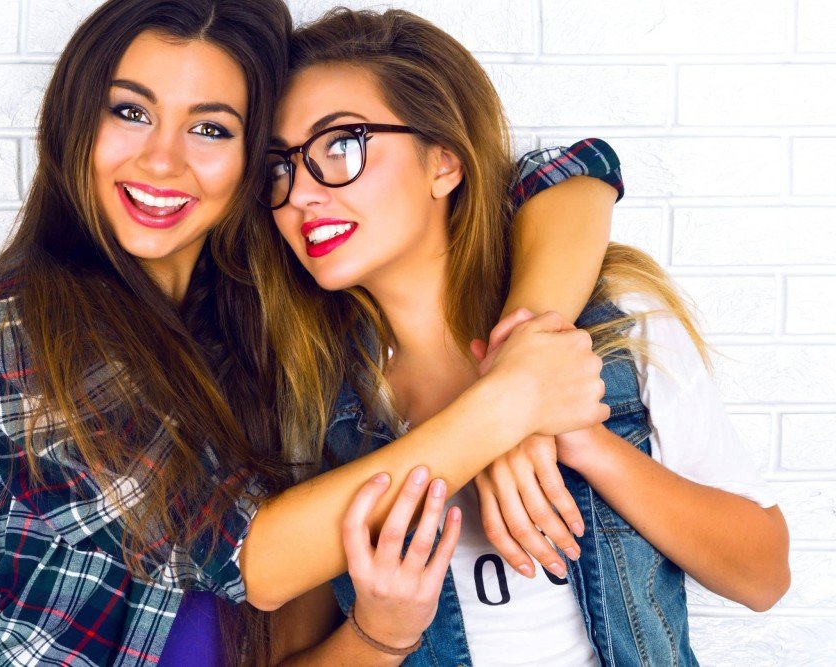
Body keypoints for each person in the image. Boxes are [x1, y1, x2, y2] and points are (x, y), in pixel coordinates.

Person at [0, 0, 623, 664]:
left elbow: (566, 174)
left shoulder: (268, 294)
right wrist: (510, 404)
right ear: (76, 119)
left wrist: (524, 345)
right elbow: (251, 559)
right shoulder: (32, 316)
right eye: (131, 112)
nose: (161, 161)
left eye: (211, 128)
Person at [262, 8, 791, 665]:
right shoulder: (309, 401)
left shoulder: (612, 321)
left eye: (341, 146)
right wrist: (379, 631)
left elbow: (765, 575)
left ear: (444, 162)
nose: (300, 194)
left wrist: (587, 444)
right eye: (279, 168)